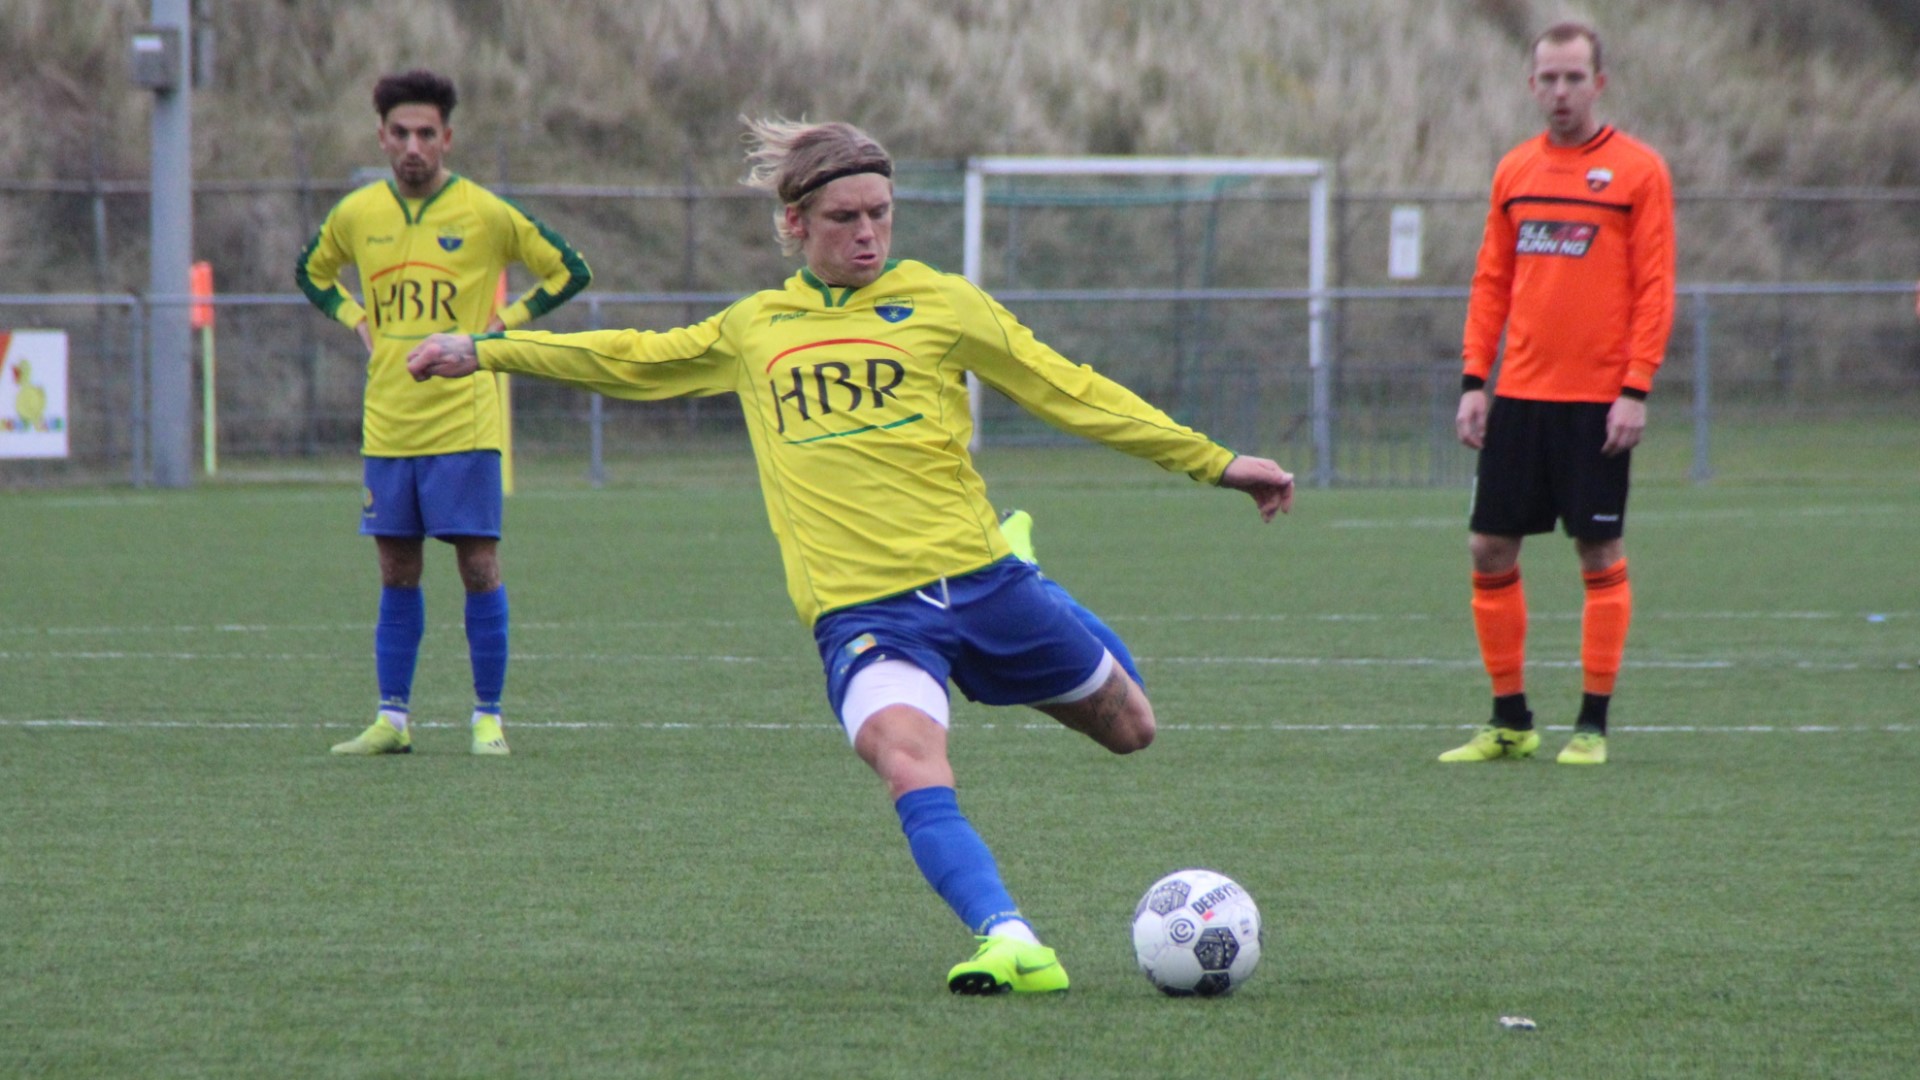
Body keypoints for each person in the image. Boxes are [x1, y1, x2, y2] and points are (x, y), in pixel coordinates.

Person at [407, 117, 1295, 993]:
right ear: (795, 225)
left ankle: (1032, 574)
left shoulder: (944, 303)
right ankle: (1010, 936)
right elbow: (628, 357)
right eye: (845, 218)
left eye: (881, 213)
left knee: (1133, 730)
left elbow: (1070, 390)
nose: (867, 233)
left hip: (983, 582)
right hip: (866, 612)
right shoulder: (755, 328)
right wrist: (481, 351)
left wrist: (1214, 461)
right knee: (905, 756)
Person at [296, 70, 593, 756]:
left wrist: (499, 330)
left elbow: (569, 269)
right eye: (399, 133)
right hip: (389, 424)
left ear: (447, 138)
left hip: (464, 423)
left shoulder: (484, 212)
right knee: (396, 570)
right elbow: (310, 271)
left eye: (426, 133)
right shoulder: (356, 214)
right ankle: (390, 720)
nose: (413, 146)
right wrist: (353, 317)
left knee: (478, 567)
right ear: (381, 137)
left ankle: (487, 717)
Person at [1442, 22, 1675, 766]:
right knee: (1488, 546)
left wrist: (1635, 388)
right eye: (1549, 78)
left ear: (1599, 83)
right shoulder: (1515, 171)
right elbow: (1492, 282)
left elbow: (1655, 288)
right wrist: (1476, 380)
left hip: (1598, 400)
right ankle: (1510, 720)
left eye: (1575, 77)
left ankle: (1592, 724)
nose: (1562, 91)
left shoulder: (1639, 172)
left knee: (1597, 545)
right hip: (1521, 395)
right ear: (1531, 84)